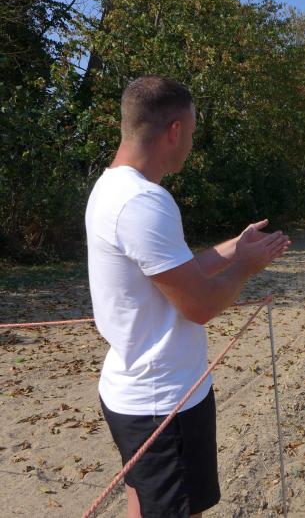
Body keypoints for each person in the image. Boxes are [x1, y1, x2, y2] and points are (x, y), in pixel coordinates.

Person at [85, 75, 290, 517]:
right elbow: (199, 306)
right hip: (163, 402)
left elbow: (175, 273)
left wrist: (234, 248)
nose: (191, 144)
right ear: (175, 130)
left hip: (134, 392)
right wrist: (245, 267)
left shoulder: (111, 187)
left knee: (143, 502)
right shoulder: (143, 202)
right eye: (192, 132)